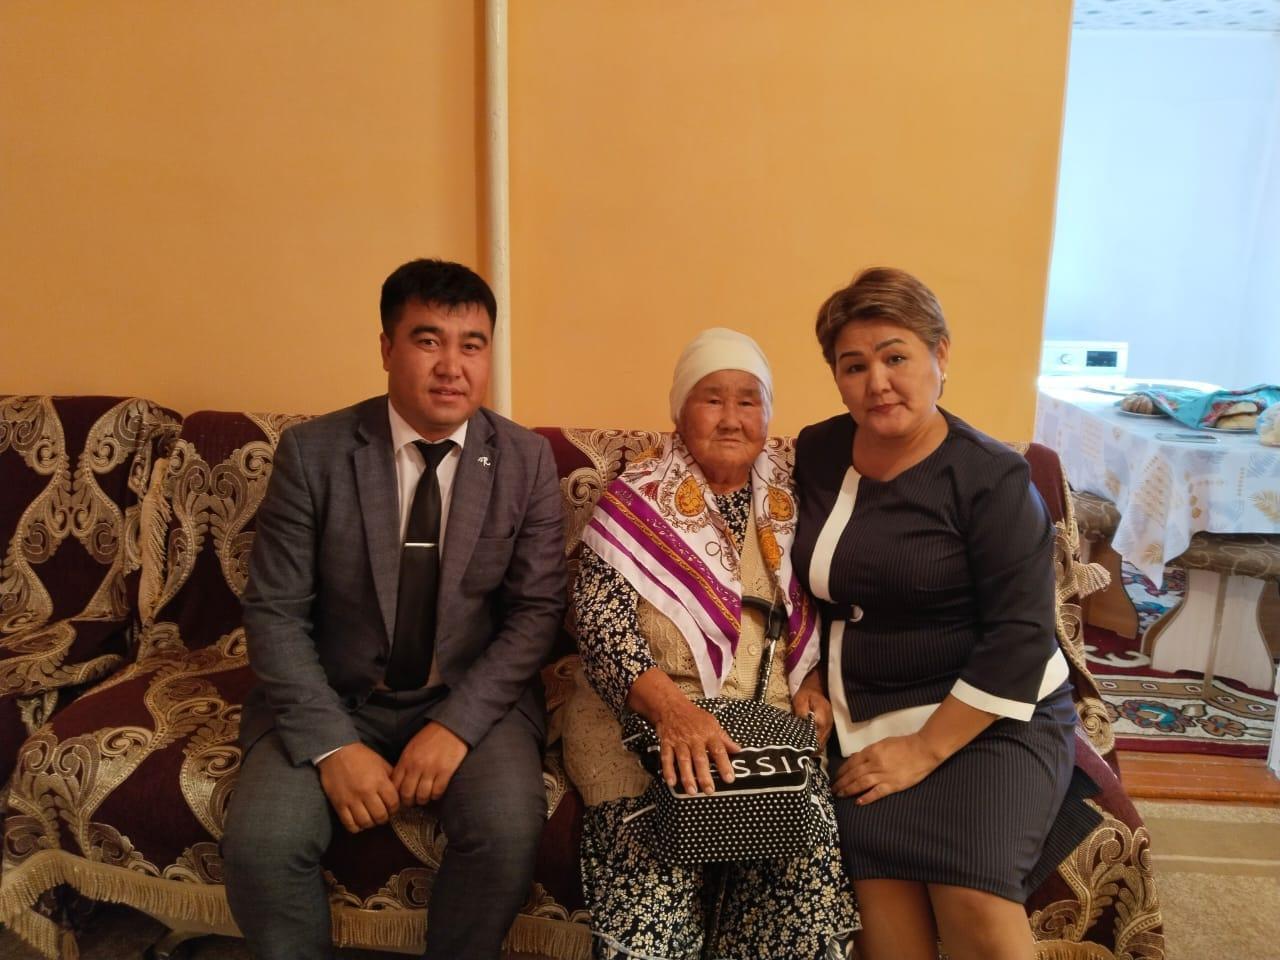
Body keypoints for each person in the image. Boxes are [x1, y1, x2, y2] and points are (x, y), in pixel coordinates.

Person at [222, 258, 566, 960]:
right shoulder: (313, 454)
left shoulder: (525, 460)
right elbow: (275, 613)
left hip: (469, 693)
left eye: (472, 345)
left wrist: (457, 727)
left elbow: (536, 613)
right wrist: (333, 745)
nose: (452, 367)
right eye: (427, 340)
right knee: (262, 842)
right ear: (386, 347)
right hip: (337, 693)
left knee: (505, 829)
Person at [792, 268, 1088, 960]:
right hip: (866, 713)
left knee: (973, 898)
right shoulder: (818, 451)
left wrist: (923, 750)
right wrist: (807, 674)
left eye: (895, 357)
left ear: (940, 355)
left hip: (990, 715)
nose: (877, 383)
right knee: (882, 902)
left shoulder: (992, 478)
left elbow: (1021, 637)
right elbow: (787, 582)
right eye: (854, 366)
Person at [564, 328, 859, 960]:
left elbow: (829, 609)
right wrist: (674, 712)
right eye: (712, 399)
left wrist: (813, 681)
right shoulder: (633, 500)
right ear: (679, 411)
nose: (731, 418)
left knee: (800, 904)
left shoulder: (797, 501)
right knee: (653, 909)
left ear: (768, 414)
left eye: (749, 401)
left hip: (767, 736)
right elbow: (600, 626)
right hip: (646, 730)